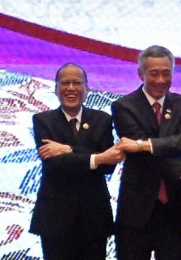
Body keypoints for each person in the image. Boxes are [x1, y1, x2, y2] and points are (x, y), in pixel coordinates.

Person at [112, 45, 181, 260]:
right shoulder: (124, 106)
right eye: (154, 73)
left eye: (166, 73)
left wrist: (143, 144)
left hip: (175, 206)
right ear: (141, 74)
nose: (161, 80)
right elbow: (146, 153)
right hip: (136, 208)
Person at [29, 63, 124, 260]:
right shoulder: (42, 120)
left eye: (77, 83)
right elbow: (55, 164)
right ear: (56, 88)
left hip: (94, 216)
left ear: (87, 88)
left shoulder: (102, 120)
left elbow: (109, 165)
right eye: (64, 83)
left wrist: (68, 150)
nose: (71, 88)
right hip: (55, 218)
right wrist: (96, 157)